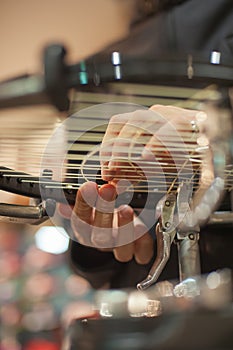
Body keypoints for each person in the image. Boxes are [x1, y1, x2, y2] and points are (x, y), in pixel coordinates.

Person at [65, 0, 233, 289]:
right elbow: (94, 261)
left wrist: (207, 131)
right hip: (157, 310)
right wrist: (96, 242)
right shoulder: (94, 77)